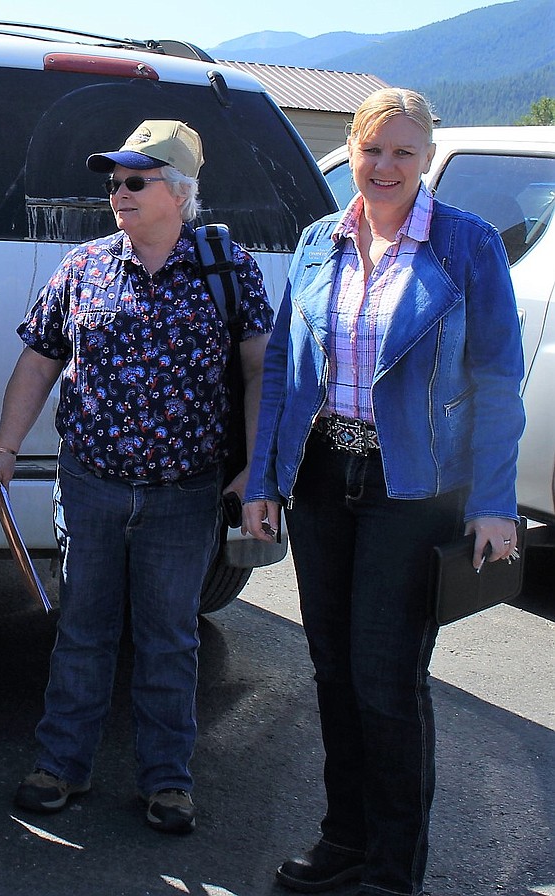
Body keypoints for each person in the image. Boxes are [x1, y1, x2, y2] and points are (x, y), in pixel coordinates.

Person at [242, 88, 525, 895]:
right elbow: (288, 378)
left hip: (416, 486)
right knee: (331, 665)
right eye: (372, 150)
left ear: (428, 157)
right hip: (326, 477)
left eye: (404, 151)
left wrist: (493, 502)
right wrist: (266, 478)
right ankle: (345, 838)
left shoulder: (465, 245)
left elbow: (499, 381)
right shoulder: (317, 241)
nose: (385, 166)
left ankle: (394, 868)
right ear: (354, 153)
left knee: (386, 675)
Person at [0, 120, 273, 833]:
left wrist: (257, 475)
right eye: (113, 181)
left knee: (170, 637)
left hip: (185, 492)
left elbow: (262, 369)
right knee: (83, 629)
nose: (118, 192)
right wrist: (5, 449)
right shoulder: (83, 268)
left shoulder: (227, 269)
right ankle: (61, 765)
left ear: (179, 190)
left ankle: (168, 781)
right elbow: (40, 360)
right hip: (91, 485)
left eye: (135, 180)